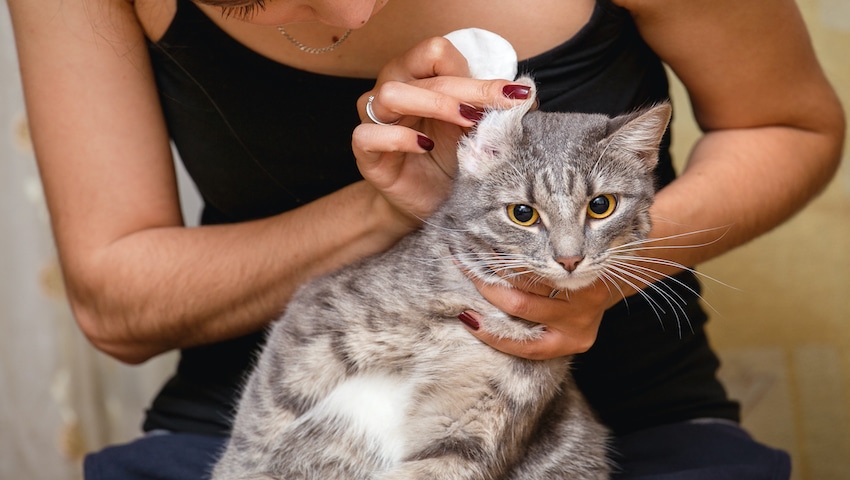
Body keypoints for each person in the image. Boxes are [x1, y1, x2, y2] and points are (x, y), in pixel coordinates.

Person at [7, 0, 844, 478]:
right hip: (270, 420)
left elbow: (790, 124)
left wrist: (599, 277)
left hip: (624, 418)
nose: (345, 12)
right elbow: (114, 303)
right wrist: (397, 208)